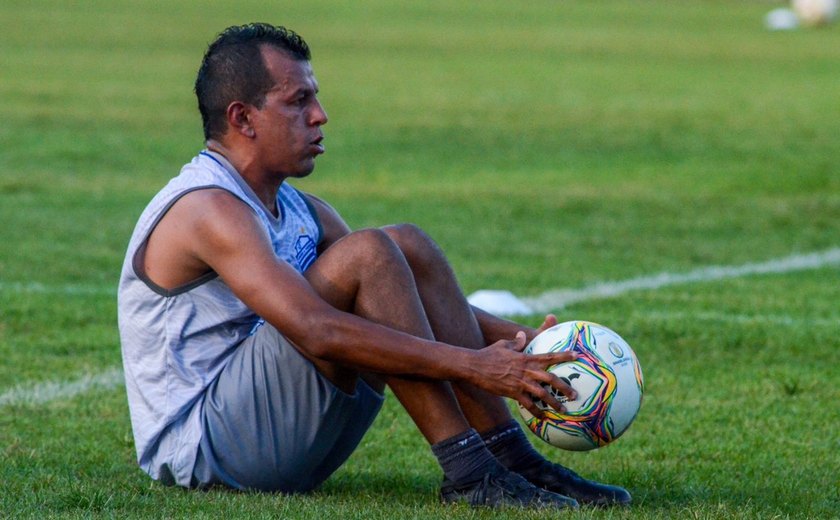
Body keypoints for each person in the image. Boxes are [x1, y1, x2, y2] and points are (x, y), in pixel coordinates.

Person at [117, 22, 632, 510]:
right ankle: (471, 473)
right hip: (209, 451)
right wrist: (475, 365)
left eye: (314, 97)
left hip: (275, 434)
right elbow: (317, 331)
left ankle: (511, 458)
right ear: (242, 118)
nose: (319, 115)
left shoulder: (300, 207)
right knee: (370, 253)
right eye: (298, 101)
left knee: (404, 245)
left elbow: (399, 301)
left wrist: (536, 345)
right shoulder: (208, 208)